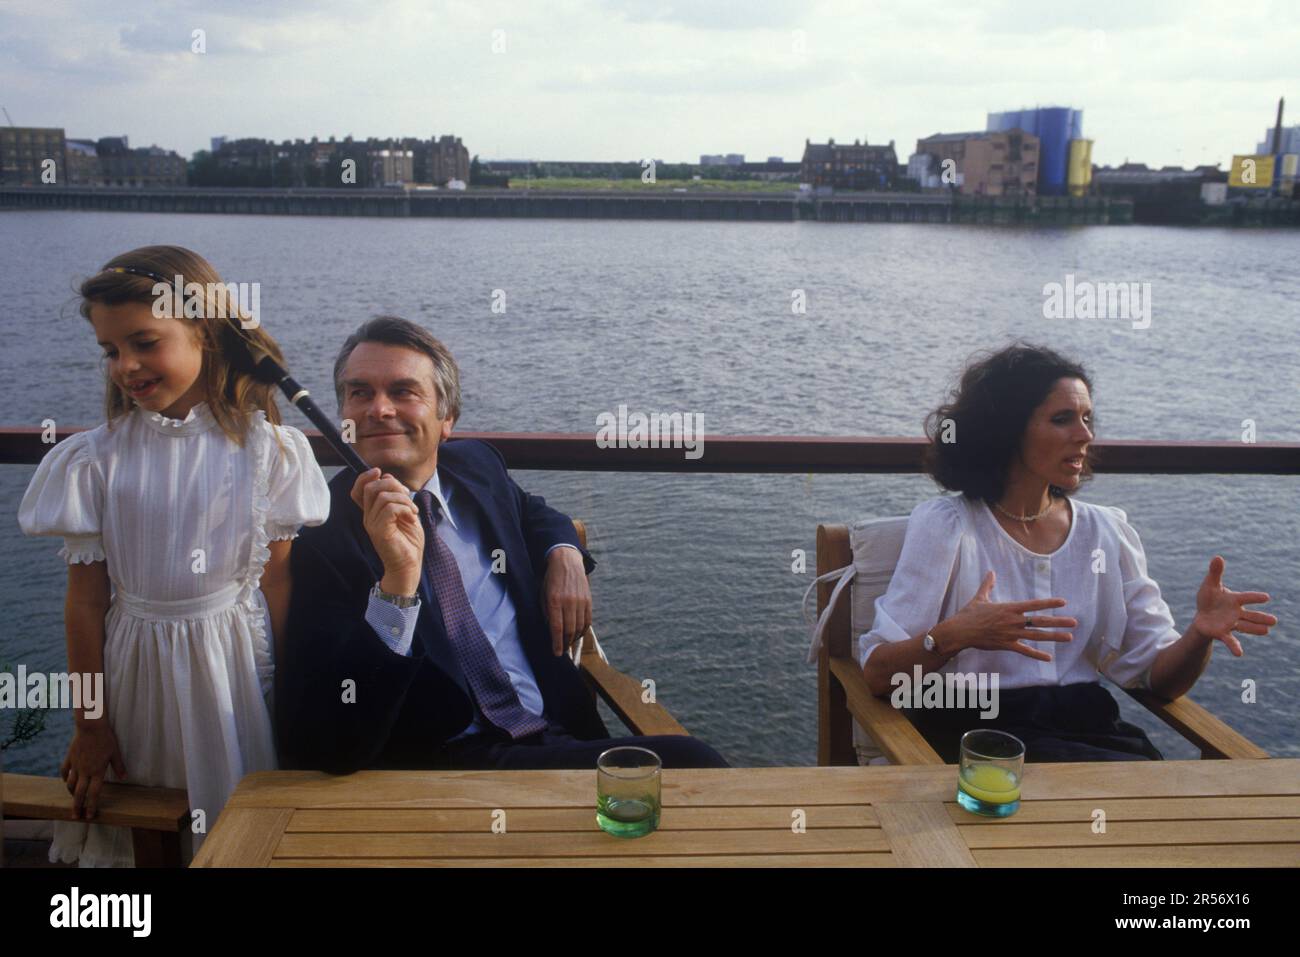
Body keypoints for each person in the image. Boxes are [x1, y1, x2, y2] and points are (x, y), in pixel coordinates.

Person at [277, 316, 728, 771]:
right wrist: (398, 584)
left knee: (701, 774)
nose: (379, 409)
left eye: (402, 392)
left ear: (446, 417)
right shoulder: (320, 534)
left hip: (553, 734)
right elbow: (328, 735)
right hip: (448, 767)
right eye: (360, 393)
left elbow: (535, 512)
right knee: (694, 766)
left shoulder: (475, 467)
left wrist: (563, 554)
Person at [17, 245, 331, 865]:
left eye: (144, 342)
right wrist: (90, 724)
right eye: (110, 351)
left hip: (237, 675)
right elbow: (85, 603)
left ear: (206, 334)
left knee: (236, 826)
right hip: (136, 677)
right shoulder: (95, 461)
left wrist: (293, 699)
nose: (125, 366)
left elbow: (279, 587)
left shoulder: (272, 453)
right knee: (143, 831)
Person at [859, 343, 1277, 762]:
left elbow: (1160, 681)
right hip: (976, 734)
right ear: (1006, 430)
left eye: (1087, 419)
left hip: (1089, 731)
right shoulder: (948, 526)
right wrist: (955, 635)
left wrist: (1199, 635)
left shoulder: (1106, 531)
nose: (1085, 435)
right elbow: (879, 675)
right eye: (1063, 420)